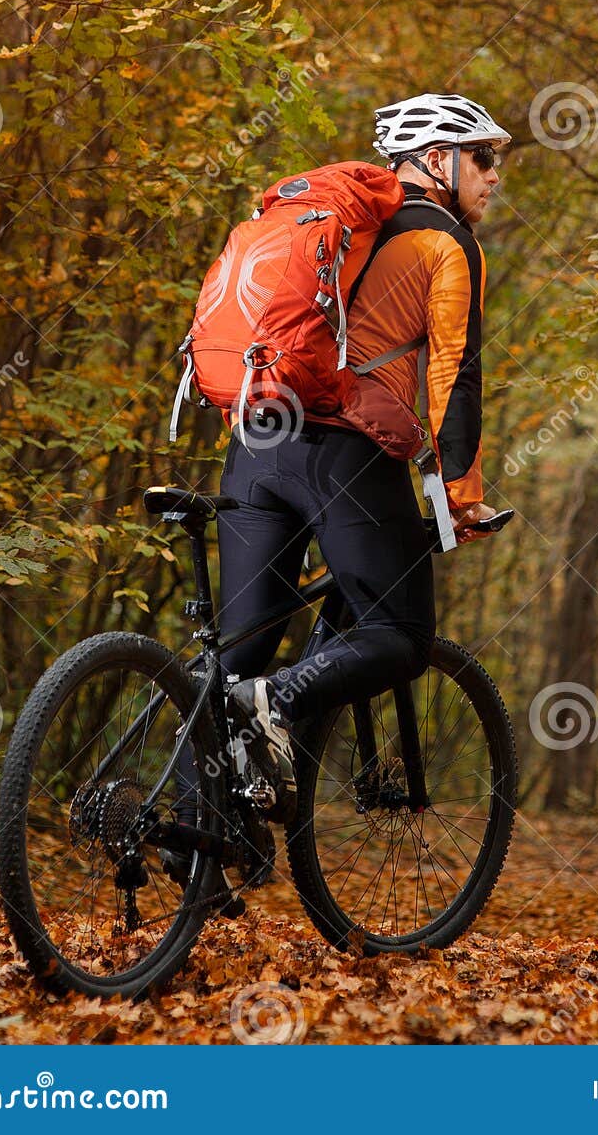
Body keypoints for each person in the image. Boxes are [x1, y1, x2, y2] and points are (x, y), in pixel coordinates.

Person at [220, 93, 511, 823]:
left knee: (237, 655)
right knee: (400, 636)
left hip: (255, 441)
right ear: (437, 160)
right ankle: (281, 702)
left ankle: (192, 832)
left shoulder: (332, 228)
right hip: (344, 452)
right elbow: (453, 377)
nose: (495, 175)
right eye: (483, 157)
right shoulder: (444, 244)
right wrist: (460, 494)